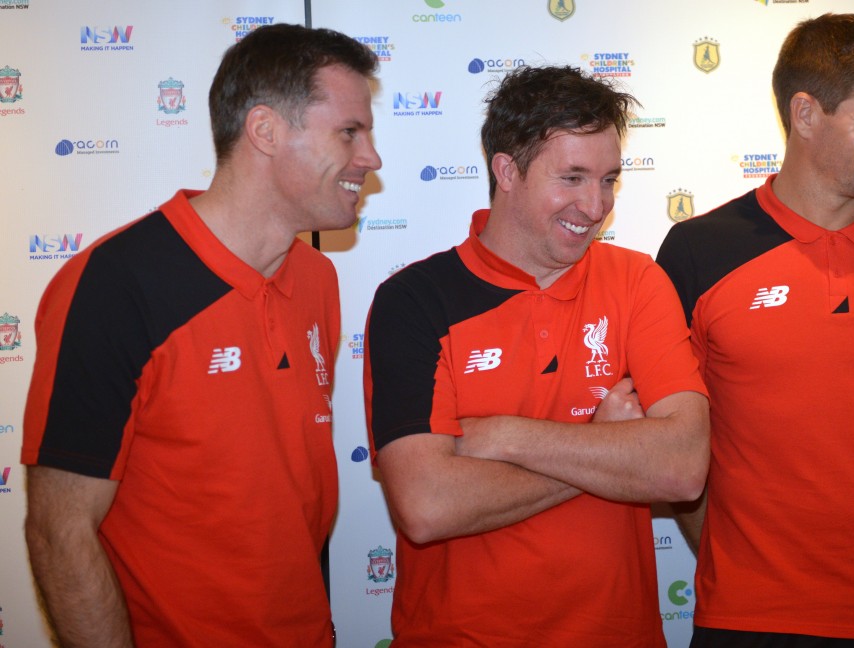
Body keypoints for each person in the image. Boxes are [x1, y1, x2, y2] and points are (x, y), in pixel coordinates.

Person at [22, 23, 381, 647]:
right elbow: (61, 531)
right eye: (350, 132)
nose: (371, 157)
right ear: (265, 130)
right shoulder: (115, 284)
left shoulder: (318, 278)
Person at [363, 65, 710, 647]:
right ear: (506, 171)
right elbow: (428, 505)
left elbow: (681, 467)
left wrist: (506, 436)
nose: (595, 205)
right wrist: (604, 446)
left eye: (609, 180)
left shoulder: (637, 281)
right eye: (572, 178)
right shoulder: (414, 300)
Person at [656, 13, 854, 647]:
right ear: (805, 114)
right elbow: (673, 449)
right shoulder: (698, 252)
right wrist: (741, 563)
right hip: (752, 619)